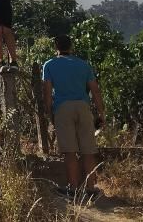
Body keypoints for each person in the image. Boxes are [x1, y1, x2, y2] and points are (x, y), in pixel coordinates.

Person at [42, 34, 106, 196]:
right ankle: (91, 188)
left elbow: (48, 92)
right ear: (71, 47)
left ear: (56, 48)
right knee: (88, 150)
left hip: (62, 108)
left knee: (70, 151)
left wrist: (50, 113)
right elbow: (95, 90)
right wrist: (101, 112)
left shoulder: (49, 65)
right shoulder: (84, 65)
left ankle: (73, 188)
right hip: (83, 107)